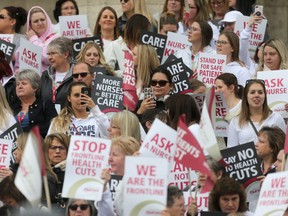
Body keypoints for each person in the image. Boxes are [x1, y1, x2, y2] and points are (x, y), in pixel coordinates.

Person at [227, 79, 286, 148]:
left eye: (260, 92)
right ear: (246, 96)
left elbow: (284, 148)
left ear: (265, 96)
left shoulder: (276, 118)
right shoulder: (235, 121)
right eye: (252, 92)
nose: (256, 95)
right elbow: (231, 151)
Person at [11, 69, 57, 138]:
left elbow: (53, 127)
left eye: (24, 84)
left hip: (37, 145)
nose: (19, 86)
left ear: (35, 87)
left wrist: (24, 132)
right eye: (17, 84)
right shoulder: (11, 106)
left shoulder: (46, 105)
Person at [14, 6, 59, 73]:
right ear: (30, 25)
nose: (40, 23)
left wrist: (34, 39)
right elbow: (17, 66)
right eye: (36, 21)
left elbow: (47, 57)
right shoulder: (26, 42)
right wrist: (18, 72)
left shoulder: (56, 38)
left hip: (49, 81)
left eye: (42, 20)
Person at [41, 36, 74, 110]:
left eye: (53, 53)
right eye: (48, 54)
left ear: (65, 54)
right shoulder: (45, 76)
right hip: (49, 120)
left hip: (69, 119)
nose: (49, 57)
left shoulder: (77, 75)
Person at [111, 136, 141, 216]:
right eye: (110, 154)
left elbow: (120, 206)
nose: (109, 159)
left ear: (129, 158)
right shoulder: (104, 179)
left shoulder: (141, 184)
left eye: (115, 155)